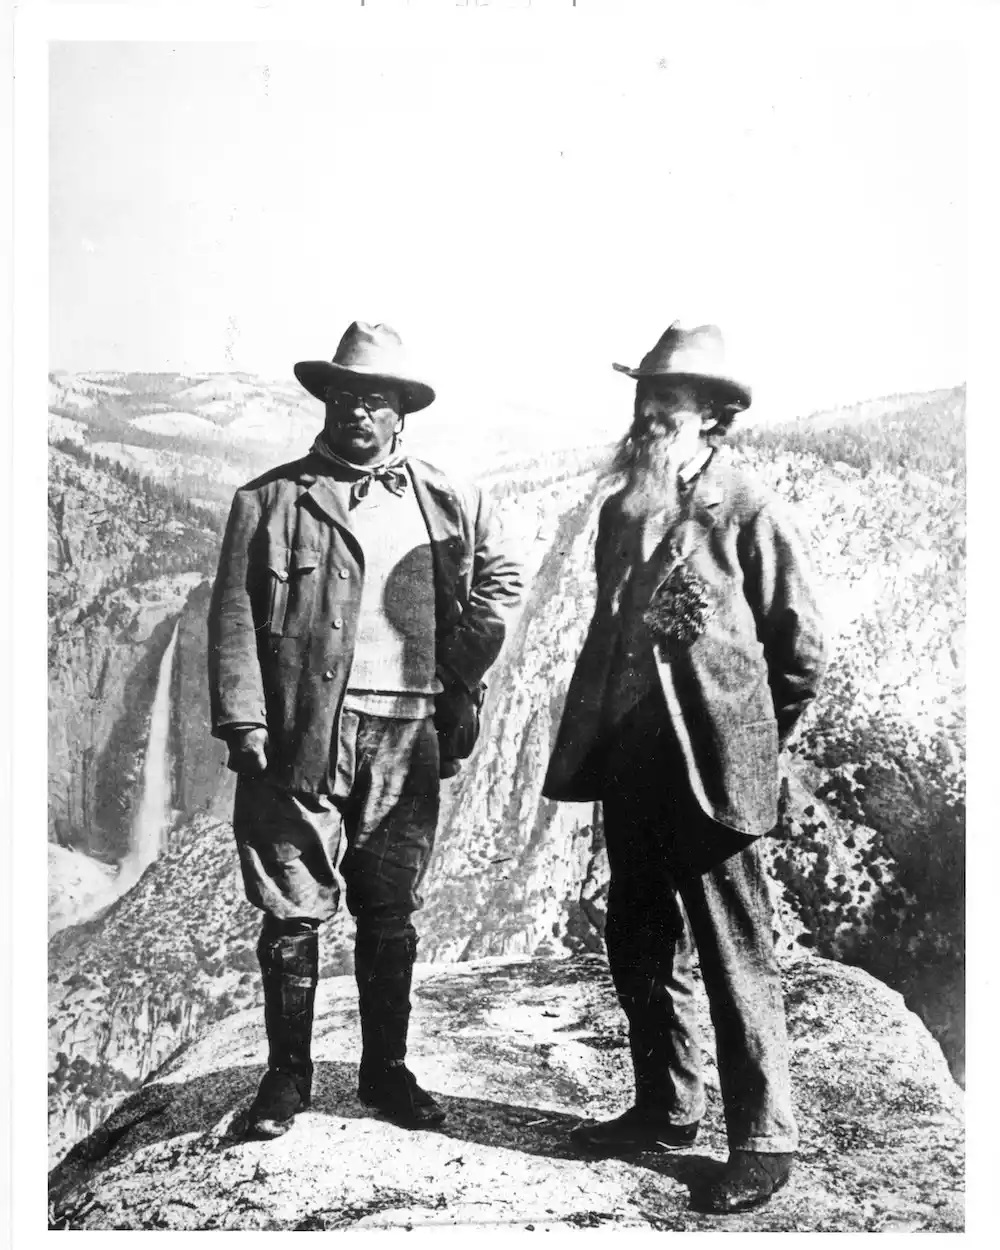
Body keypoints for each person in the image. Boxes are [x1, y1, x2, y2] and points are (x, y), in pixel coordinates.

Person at [208, 321, 522, 1138]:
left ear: (400, 416)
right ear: (326, 403)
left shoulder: (451, 498)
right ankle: (287, 1081)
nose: (358, 412)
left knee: (389, 910)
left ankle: (386, 1074)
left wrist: (457, 666)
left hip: (410, 732)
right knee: (291, 903)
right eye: (345, 396)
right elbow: (235, 616)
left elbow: (503, 582)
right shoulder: (270, 501)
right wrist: (243, 718)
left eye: (374, 400)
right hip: (301, 732)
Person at [543, 323, 827, 1214]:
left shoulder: (745, 507)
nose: (649, 415)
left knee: (733, 950)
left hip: (713, 772)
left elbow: (802, 648)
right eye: (645, 400)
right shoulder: (624, 508)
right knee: (638, 937)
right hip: (631, 762)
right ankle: (666, 1108)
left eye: (668, 403)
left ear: (714, 416)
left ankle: (765, 1141)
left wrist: (747, 735)